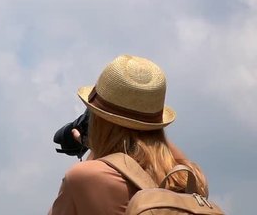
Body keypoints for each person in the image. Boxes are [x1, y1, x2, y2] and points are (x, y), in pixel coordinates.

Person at [48, 54, 209, 215]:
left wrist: (97, 145)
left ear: (98, 121)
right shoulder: (189, 178)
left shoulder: (84, 177)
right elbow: (164, 151)